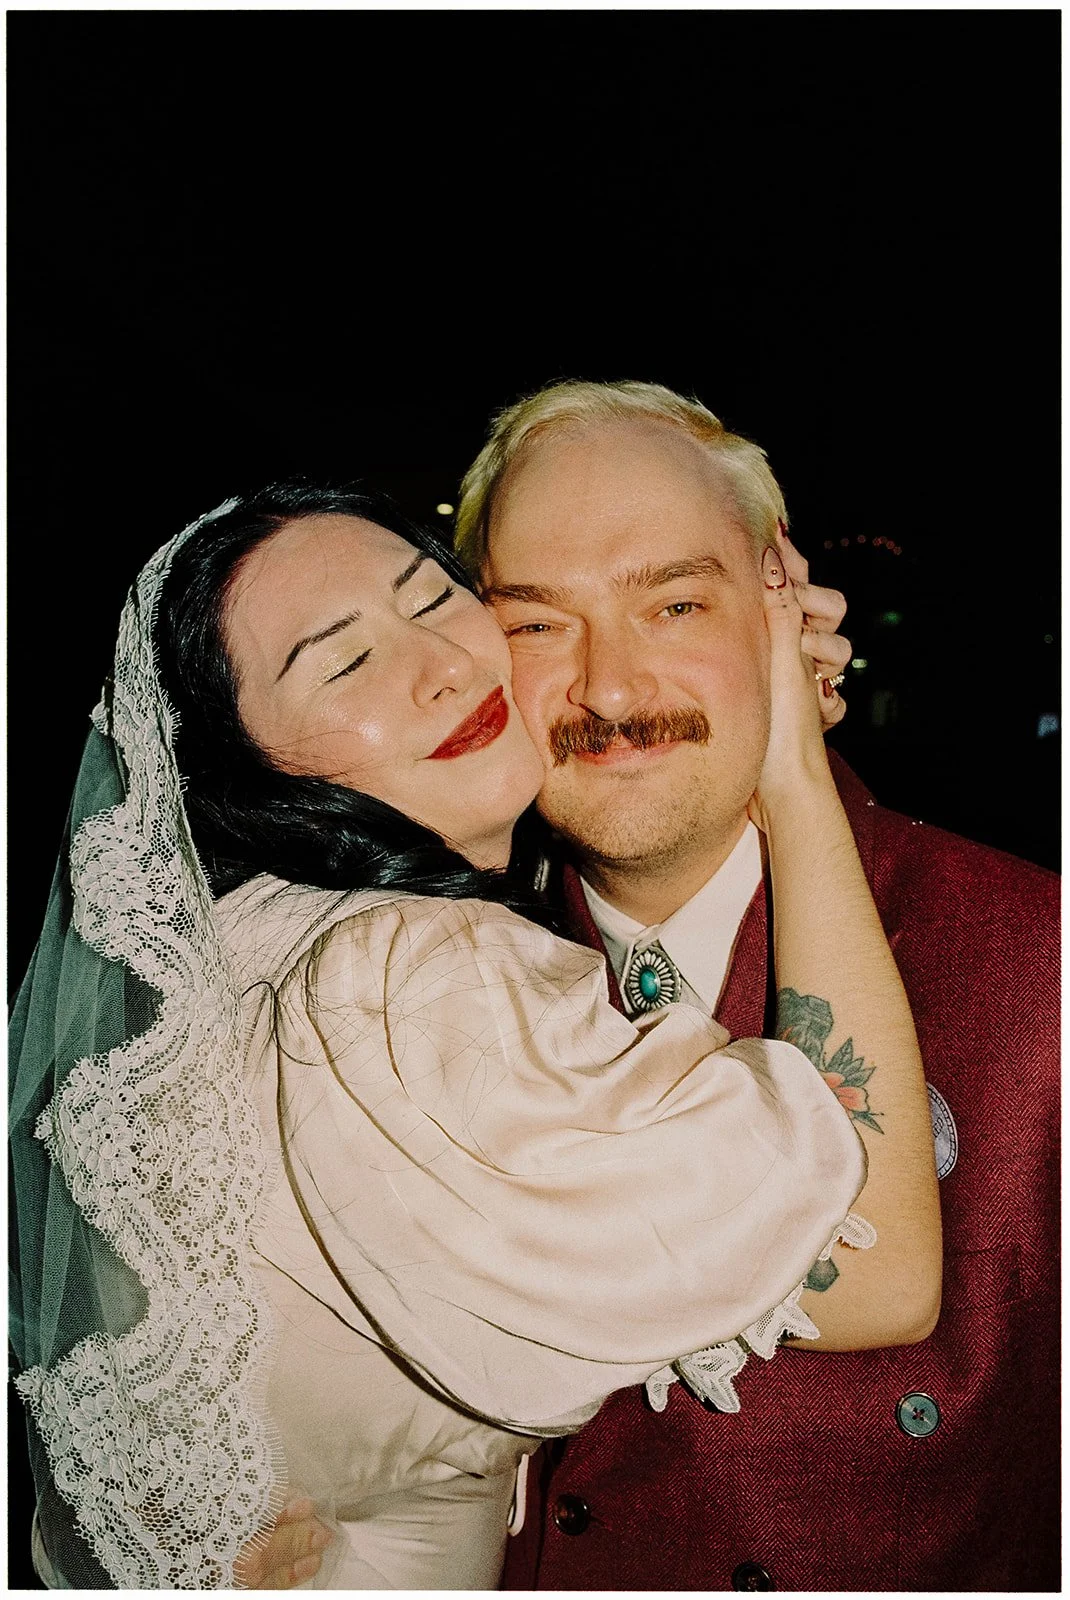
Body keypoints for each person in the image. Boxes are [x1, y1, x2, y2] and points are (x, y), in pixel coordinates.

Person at [9, 480, 941, 1589]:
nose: (444, 664)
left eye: (434, 597)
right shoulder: (402, 981)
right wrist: (784, 772)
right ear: (241, 768)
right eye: (342, 662)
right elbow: (875, 1276)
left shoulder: (235, 956)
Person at [452, 378, 1061, 1593]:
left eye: (671, 603)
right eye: (535, 625)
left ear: (781, 609)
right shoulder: (421, 978)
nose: (611, 693)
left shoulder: (1042, 965)